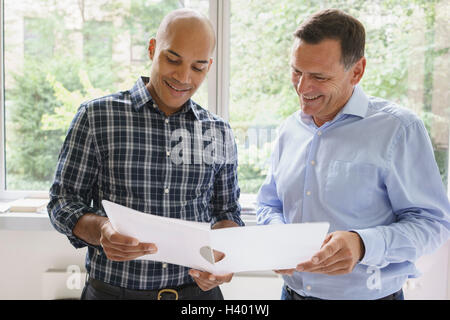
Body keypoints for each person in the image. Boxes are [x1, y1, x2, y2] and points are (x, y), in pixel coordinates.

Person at [48, 8, 244, 300]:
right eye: (173, 59)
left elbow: (227, 212)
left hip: (198, 297)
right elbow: (62, 202)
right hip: (113, 293)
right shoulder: (96, 116)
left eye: (198, 67)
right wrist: (102, 229)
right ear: (153, 48)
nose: (183, 76)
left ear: (209, 66)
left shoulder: (219, 131)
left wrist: (226, 259)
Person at [256, 8, 450, 300]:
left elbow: (433, 224)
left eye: (319, 77)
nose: (302, 87)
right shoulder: (289, 129)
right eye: (297, 71)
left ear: (357, 71)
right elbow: (269, 204)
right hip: (291, 294)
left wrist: (362, 244)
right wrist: (278, 236)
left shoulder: (398, 129)